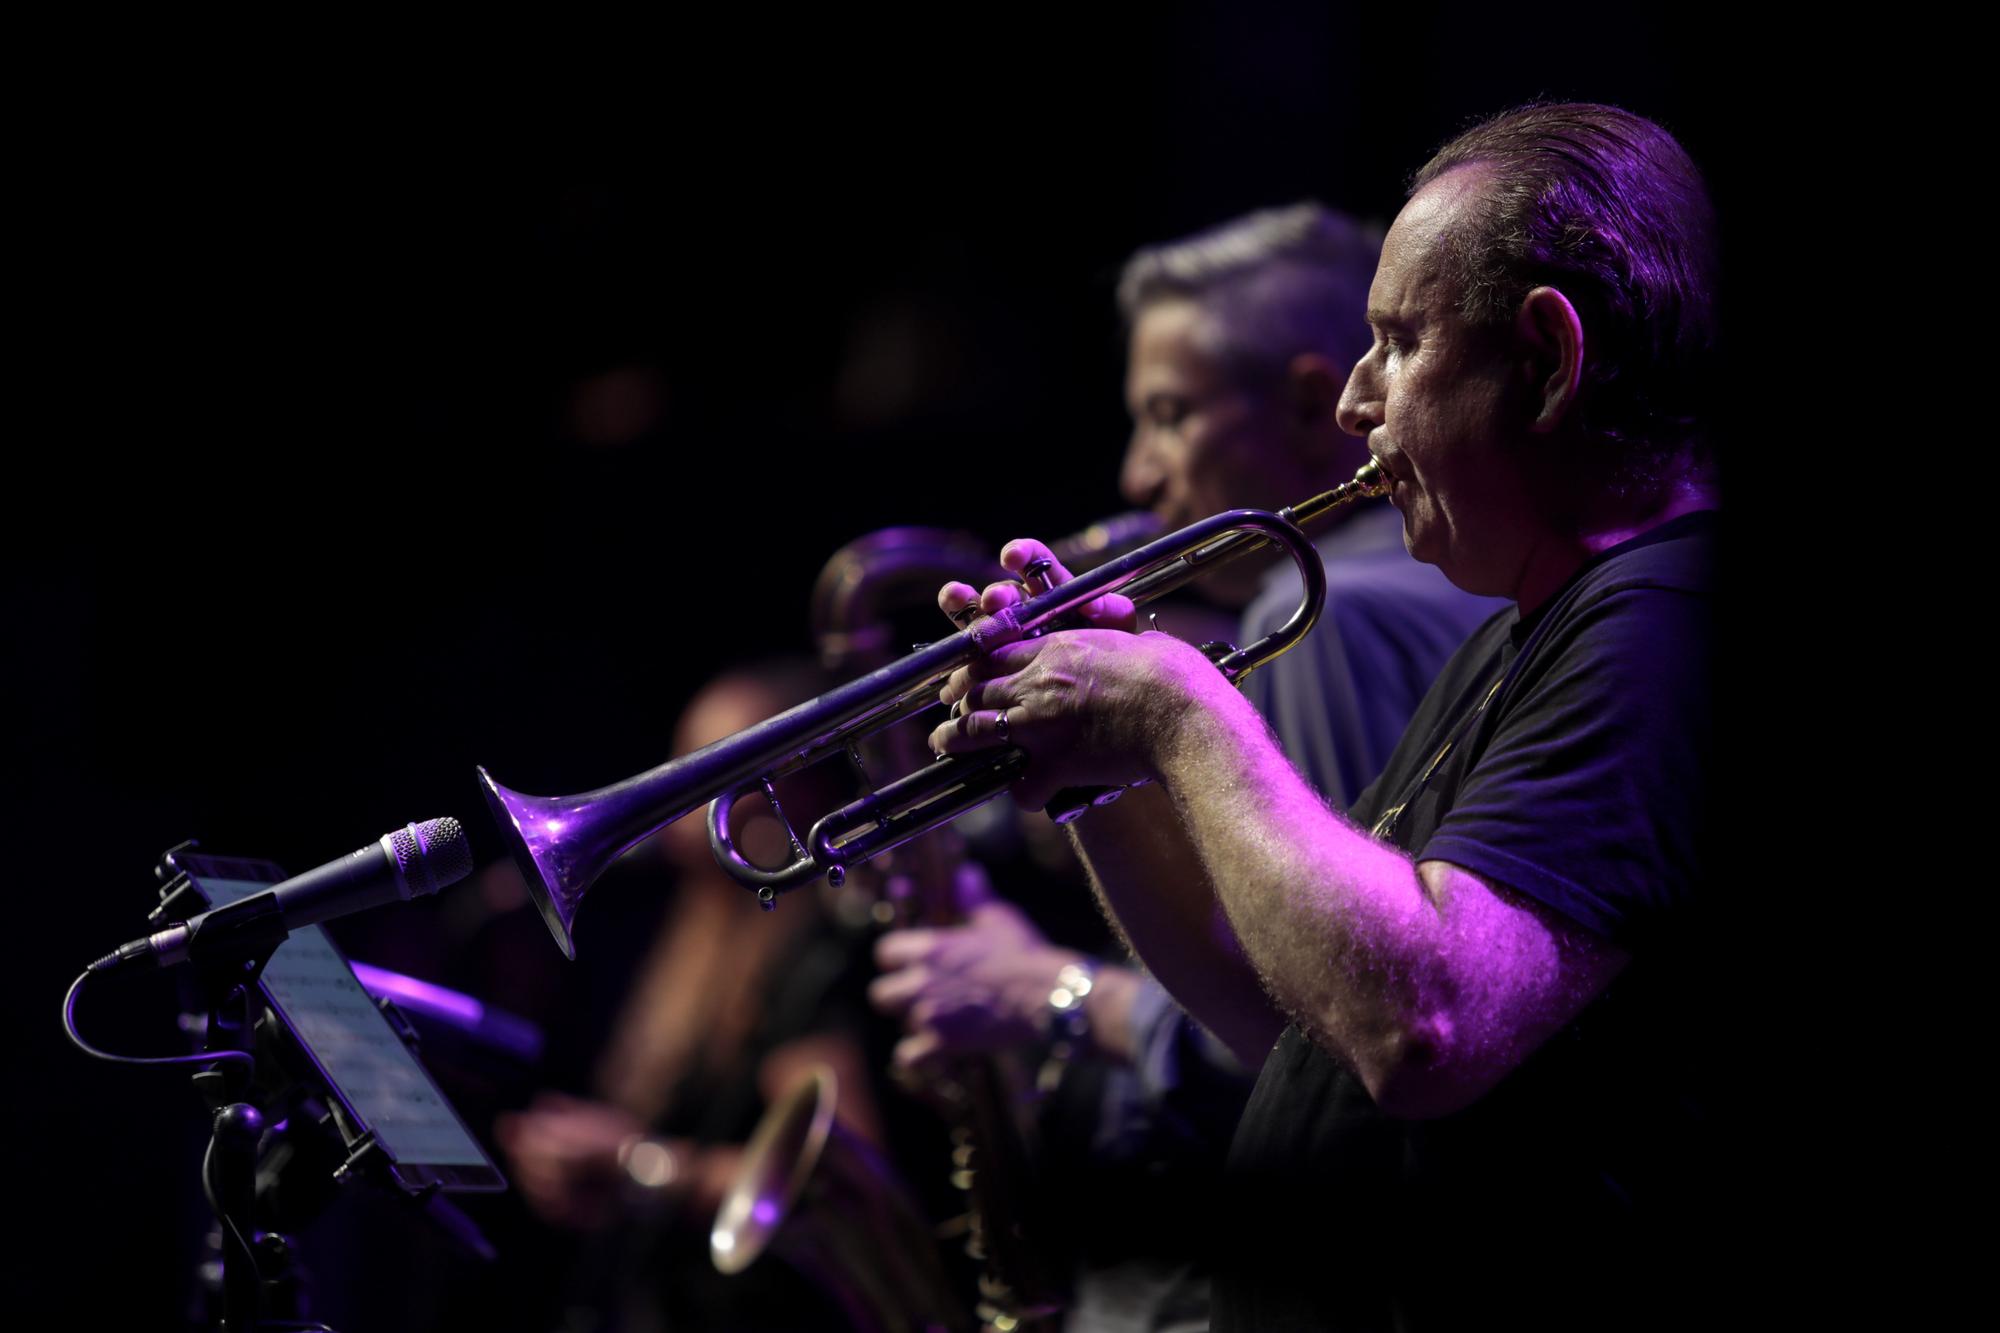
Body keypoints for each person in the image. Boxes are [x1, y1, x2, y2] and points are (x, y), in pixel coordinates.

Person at [926, 103, 1719, 1331]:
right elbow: (1292, 1014)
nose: (1356, 401)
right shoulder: (1528, 628)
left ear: (1549, 362)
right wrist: (1097, 767)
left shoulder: (1658, 621)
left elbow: (1420, 1021)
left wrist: (1184, 705)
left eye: (1398, 341)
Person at [870, 204, 1503, 1330]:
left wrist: (1050, 996)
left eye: (1168, 416)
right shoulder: (1461, 590)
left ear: (1314, 405)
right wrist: (1090, 777)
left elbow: (1309, 1033)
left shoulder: (1325, 611)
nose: (1138, 471)